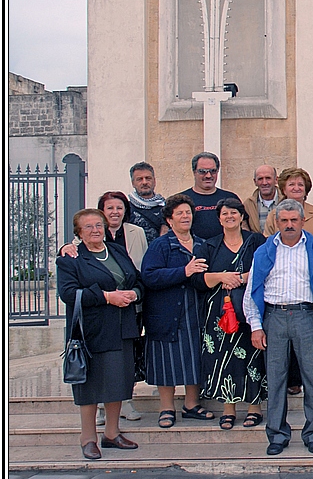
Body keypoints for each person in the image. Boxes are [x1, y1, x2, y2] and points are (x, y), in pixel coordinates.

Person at [244, 199, 313, 456]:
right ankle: (277, 434)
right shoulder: (264, 252)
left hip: (306, 317)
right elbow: (252, 290)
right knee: (275, 379)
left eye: (293, 220)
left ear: (302, 221)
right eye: (283, 220)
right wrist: (255, 325)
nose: (288, 225)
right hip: (273, 318)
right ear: (276, 222)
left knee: (312, 378)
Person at [56, 209, 143, 459]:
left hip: (122, 326)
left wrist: (135, 294)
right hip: (91, 330)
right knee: (90, 386)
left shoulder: (116, 250)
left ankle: (112, 434)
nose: (95, 230)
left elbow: (136, 279)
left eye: (99, 225)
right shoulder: (70, 259)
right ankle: (88, 438)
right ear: (78, 233)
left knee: (118, 382)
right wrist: (107, 297)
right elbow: (69, 293)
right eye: (89, 227)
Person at [191, 199, 267, 429]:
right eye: (225, 213)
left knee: (253, 357)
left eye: (234, 212)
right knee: (223, 358)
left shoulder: (256, 241)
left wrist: (242, 278)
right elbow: (197, 278)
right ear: (219, 218)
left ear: (242, 216)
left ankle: (254, 407)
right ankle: (228, 409)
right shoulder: (209, 246)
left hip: (250, 310)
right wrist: (222, 277)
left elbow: (267, 269)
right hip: (219, 313)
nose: (229, 217)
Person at [141, 194, 215, 429]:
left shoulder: (203, 244)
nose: (185, 217)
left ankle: (192, 405)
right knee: (166, 359)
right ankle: (166, 408)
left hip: (196, 308)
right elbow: (149, 276)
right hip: (167, 311)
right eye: (180, 213)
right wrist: (184, 271)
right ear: (169, 219)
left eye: (188, 213)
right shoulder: (161, 245)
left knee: (195, 355)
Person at [178, 152, 240, 240]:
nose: (208, 175)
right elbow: (167, 230)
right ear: (194, 172)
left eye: (213, 171)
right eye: (202, 171)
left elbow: (243, 226)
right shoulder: (180, 200)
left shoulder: (231, 198)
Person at [128, 162, 168, 244]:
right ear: (133, 183)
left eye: (148, 178)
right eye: (139, 179)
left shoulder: (168, 207)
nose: (144, 182)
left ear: (154, 181)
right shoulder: (127, 209)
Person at [243, 165, 282, 234]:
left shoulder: (286, 201)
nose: (264, 183)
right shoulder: (248, 205)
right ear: (255, 181)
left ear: (276, 180)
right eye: (260, 179)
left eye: (268, 178)